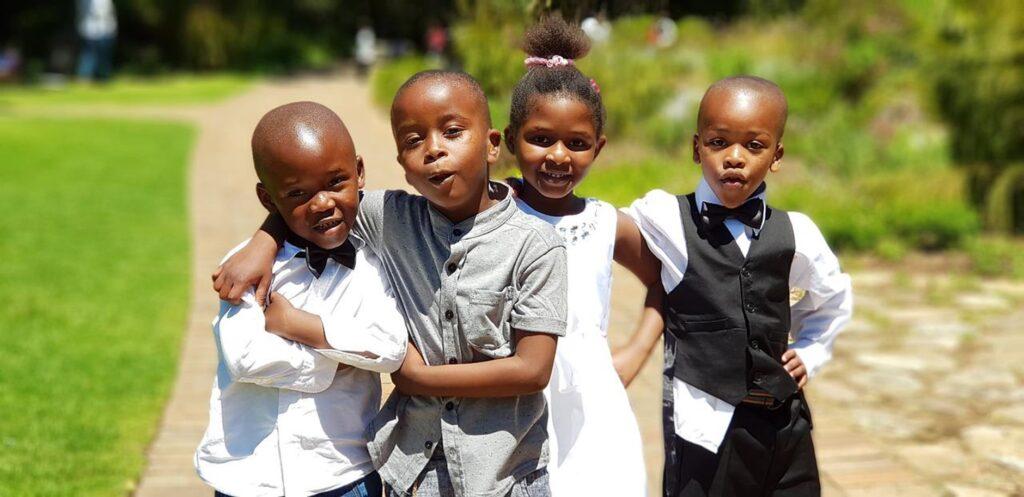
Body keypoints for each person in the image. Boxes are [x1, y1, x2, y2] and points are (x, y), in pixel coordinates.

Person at [212, 72, 569, 497]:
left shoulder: (537, 245)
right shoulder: (391, 217)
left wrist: (417, 377)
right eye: (414, 141)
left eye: (452, 132)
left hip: (505, 473)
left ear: (492, 143)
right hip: (413, 472)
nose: (434, 149)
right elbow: (313, 198)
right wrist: (263, 241)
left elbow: (533, 370)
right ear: (401, 163)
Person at [626, 76, 853, 497]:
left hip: (786, 428)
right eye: (718, 142)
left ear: (776, 155)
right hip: (706, 432)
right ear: (697, 148)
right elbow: (596, 225)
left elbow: (833, 298)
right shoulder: (667, 218)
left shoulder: (796, 232)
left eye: (754, 146)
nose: (734, 158)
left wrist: (811, 350)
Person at [195, 101, 408, 497]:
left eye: (335, 182)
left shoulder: (374, 264)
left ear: (359, 173)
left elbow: (390, 348)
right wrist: (340, 359)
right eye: (298, 193)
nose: (323, 202)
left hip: (342, 472)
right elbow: (248, 359)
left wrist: (298, 326)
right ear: (268, 199)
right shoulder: (245, 267)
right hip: (247, 475)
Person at [502, 16, 660, 496]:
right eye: (540, 138)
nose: (558, 156)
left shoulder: (605, 222)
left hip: (593, 403)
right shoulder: (492, 206)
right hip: (509, 393)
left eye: (577, 144)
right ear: (509, 140)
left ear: (599, 147)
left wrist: (634, 354)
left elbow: (667, 283)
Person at [75, 0, 117, 81]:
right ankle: (84, 77)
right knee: (89, 55)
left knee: (104, 56)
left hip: (106, 30)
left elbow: (109, 13)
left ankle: (103, 77)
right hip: (90, 30)